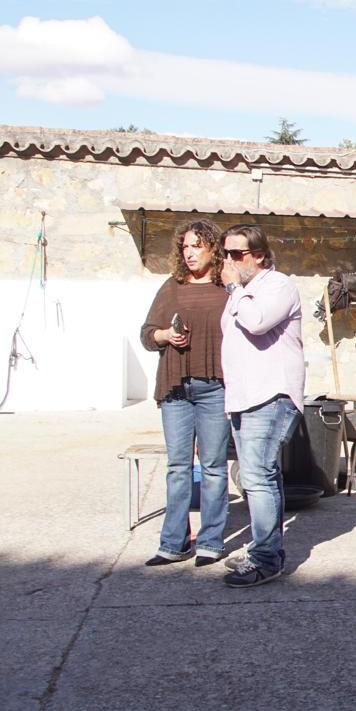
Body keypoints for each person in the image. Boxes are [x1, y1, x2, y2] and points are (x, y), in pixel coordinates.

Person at [139, 220, 232, 567]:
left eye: (197, 246)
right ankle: (173, 543)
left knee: (213, 467)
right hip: (176, 387)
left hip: (216, 388)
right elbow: (147, 334)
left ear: (213, 249)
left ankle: (210, 542)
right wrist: (165, 335)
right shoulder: (172, 287)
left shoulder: (227, 288)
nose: (190, 253)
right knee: (178, 466)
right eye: (185, 247)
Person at [219, 224, 305, 587]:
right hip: (245, 396)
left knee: (256, 477)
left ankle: (266, 560)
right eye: (225, 253)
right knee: (260, 476)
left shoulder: (277, 286)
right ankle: (266, 550)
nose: (229, 261)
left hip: (270, 395)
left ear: (259, 255)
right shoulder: (245, 292)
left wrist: (233, 288)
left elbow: (256, 322)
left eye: (236, 254)